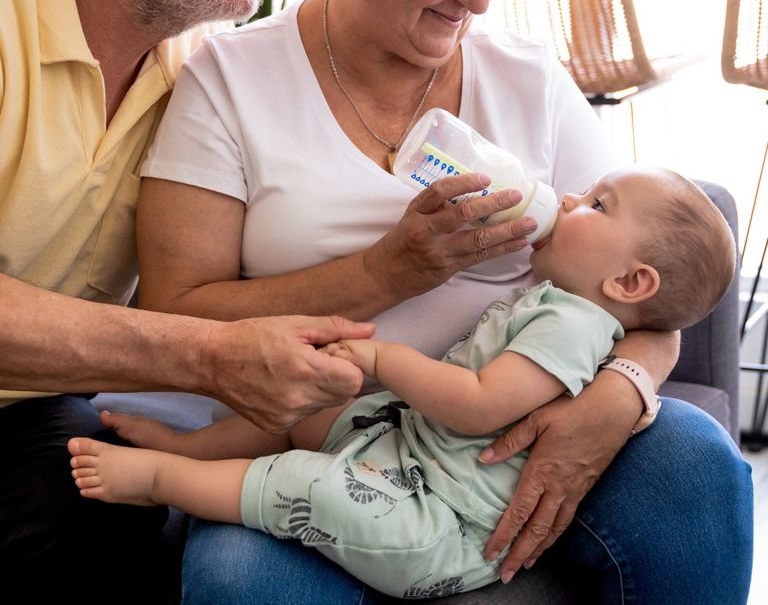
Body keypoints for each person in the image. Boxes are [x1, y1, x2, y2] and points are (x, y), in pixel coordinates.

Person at [132, 0, 753, 603]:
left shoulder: (526, 79)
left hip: (499, 447)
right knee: (242, 581)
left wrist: (615, 399)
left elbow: (652, 291)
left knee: (697, 468)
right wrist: (386, 274)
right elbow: (175, 317)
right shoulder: (231, 80)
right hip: (324, 443)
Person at [0, 0, 376, 604]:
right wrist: (206, 355)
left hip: (22, 414)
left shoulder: (199, 68)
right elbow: (205, 338)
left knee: (99, 494)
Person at [69, 165, 738, 599]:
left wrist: (383, 360)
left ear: (628, 282)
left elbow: (479, 407)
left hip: (435, 512)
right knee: (303, 408)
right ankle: (189, 444)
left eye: (596, 204)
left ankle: (158, 478)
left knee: (301, 483)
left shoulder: (574, 324)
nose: (566, 198)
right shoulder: (561, 299)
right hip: (413, 442)